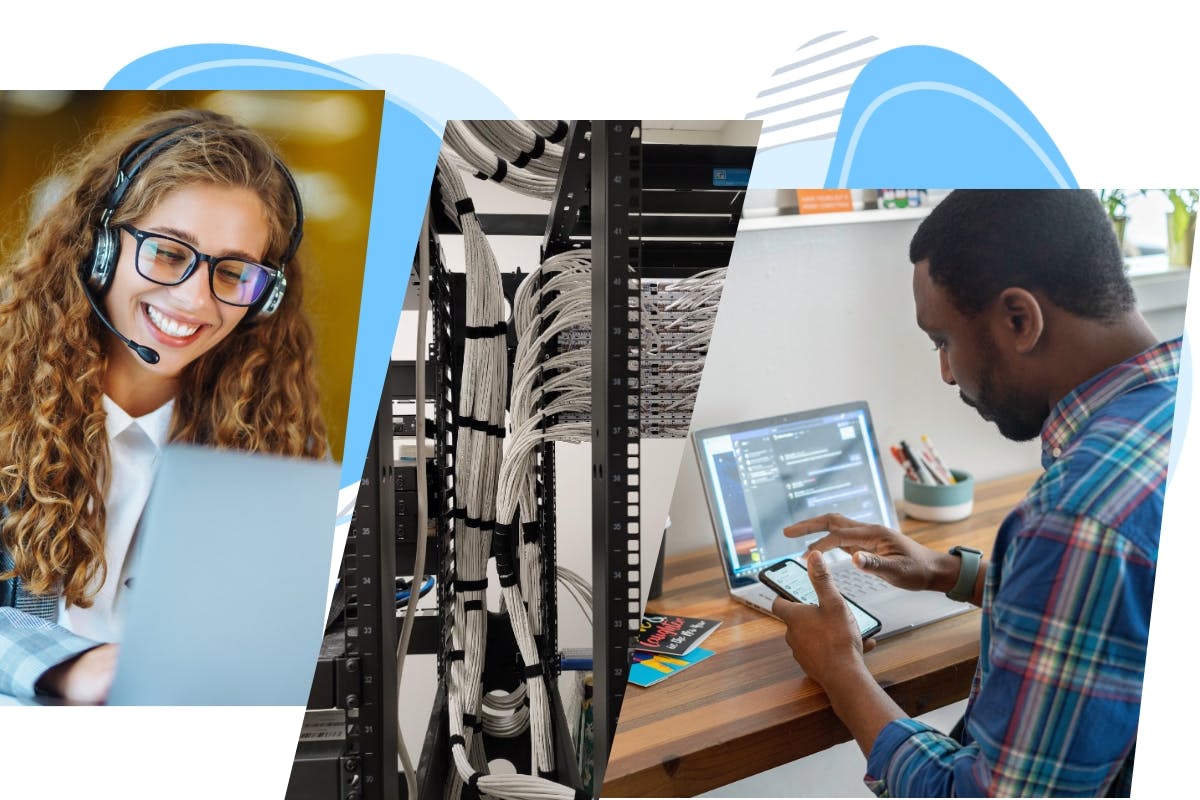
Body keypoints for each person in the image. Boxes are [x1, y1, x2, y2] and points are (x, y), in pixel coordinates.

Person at [774, 190, 1174, 796]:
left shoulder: (1079, 515)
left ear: (1020, 320)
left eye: (942, 340)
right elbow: (1134, 611)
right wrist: (952, 573)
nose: (945, 372)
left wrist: (842, 670)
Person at [0, 108, 327, 703]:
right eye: (169, 253)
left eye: (233, 272)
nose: (194, 299)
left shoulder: (277, 445)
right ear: (101, 247)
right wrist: (72, 667)